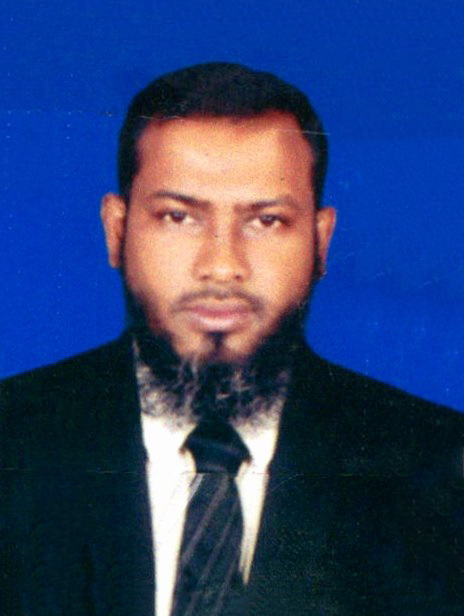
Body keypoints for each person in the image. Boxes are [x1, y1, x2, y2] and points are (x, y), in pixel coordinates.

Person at [1, 62, 464, 616]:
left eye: (266, 221)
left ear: (321, 242)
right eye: (178, 217)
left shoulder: (440, 473)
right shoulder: (12, 443)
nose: (222, 266)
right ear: (116, 230)